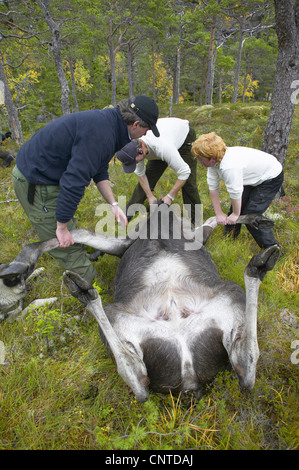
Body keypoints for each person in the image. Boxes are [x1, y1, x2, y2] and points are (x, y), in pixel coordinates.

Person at [12, 95, 159, 283]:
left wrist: (113, 203)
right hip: (36, 182)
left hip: (49, 176)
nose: (145, 135)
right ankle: (94, 289)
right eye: (146, 130)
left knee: (69, 231)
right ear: (136, 124)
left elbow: (100, 169)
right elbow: (74, 182)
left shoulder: (111, 125)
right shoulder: (102, 134)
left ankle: (71, 239)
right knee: (65, 245)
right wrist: (61, 226)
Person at [191, 132, 283, 249]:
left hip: (270, 176)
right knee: (235, 210)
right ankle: (229, 240)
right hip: (251, 176)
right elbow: (213, 189)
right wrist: (219, 214)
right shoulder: (214, 163)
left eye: (200, 158)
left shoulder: (229, 166)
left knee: (251, 214)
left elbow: (235, 193)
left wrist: (236, 214)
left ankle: (272, 248)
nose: (199, 161)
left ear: (212, 158)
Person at [116, 117, 201, 225]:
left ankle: (196, 221)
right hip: (162, 140)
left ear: (141, 151)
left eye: (135, 162)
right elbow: (141, 175)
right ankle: (125, 218)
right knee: (148, 178)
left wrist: (170, 196)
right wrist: (150, 196)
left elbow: (184, 172)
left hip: (184, 137)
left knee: (188, 182)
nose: (135, 164)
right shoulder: (133, 147)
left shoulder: (163, 147)